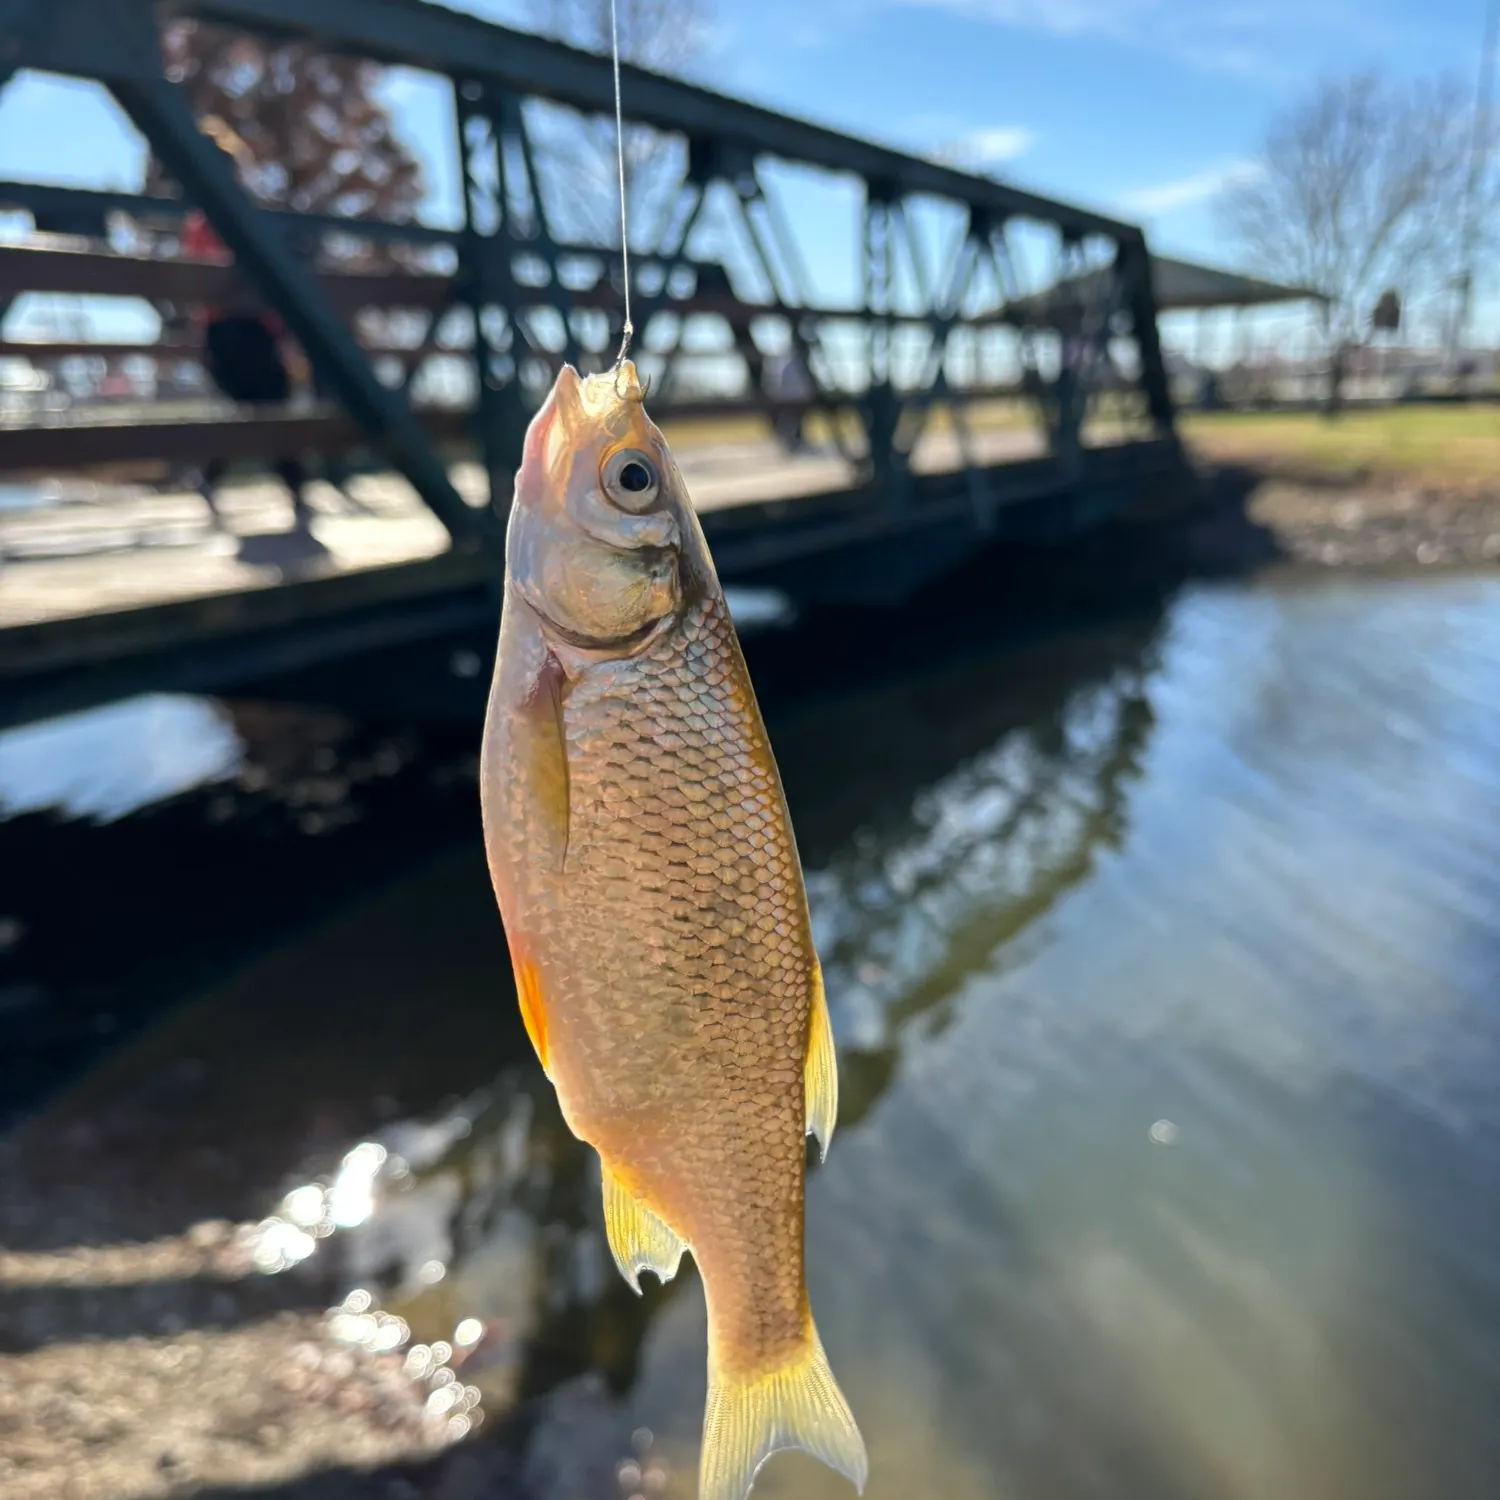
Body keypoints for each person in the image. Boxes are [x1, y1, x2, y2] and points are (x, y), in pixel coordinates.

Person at [180, 211, 318, 538]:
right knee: (259, 409)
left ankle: (291, 489)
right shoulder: (208, 221)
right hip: (231, 328)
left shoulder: (236, 217)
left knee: (262, 408)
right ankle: (295, 490)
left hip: (254, 328)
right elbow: (213, 275)